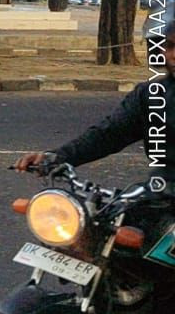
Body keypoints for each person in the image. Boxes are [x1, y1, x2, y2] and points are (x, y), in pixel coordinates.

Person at [15, 19, 175, 217]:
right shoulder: (150, 95)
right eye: (169, 46)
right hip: (161, 197)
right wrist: (57, 157)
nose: (173, 55)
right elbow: (109, 134)